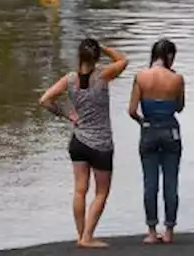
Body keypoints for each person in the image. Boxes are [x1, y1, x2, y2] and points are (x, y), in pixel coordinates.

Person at [39, 38, 129, 249]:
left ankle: (81, 235)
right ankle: (87, 236)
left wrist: (66, 116)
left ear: (79, 56)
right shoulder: (103, 76)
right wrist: (105, 48)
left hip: (78, 140)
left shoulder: (70, 79)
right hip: (101, 144)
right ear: (96, 57)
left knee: (80, 190)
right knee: (101, 192)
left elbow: (44, 100)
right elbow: (124, 60)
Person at [127, 39, 185, 244]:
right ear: (169, 56)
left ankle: (151, 232)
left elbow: (132, 110)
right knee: (171, 182)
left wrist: (143, 121)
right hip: (170, 130)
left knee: (150, 182)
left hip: (149, 129)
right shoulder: (177, 78)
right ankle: (169, 231)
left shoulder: (141, 77)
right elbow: (179, 107)